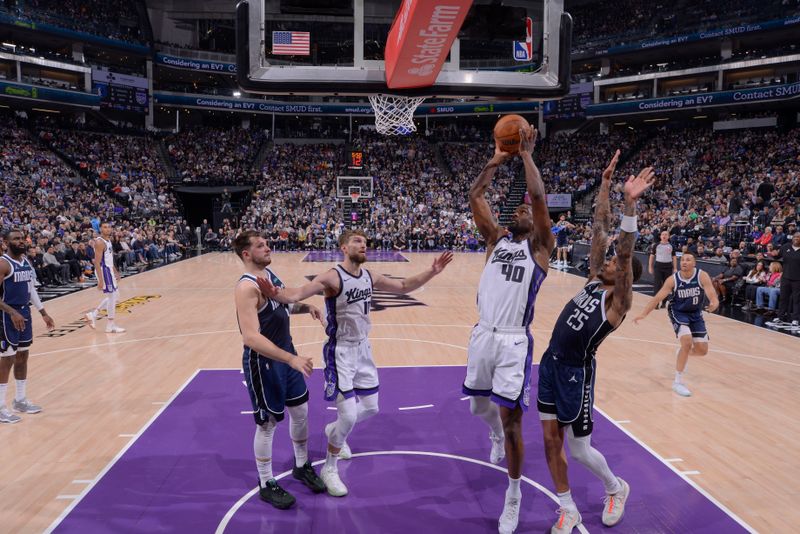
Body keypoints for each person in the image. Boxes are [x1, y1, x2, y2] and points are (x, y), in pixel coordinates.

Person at [258, 230, 452, 498]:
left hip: (364, 349)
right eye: (357, 242)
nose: (363, 245)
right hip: (340, 353)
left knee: (371, 408)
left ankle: (333, 430)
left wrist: (433, 271)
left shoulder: (369, 276)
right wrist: (275, 293)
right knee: (348, 415)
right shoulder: (332, 276)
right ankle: (330, 468)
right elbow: (297, 293)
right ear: (343, 247)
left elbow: (405, 286)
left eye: (364, 242)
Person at [537, 151, 653, 533]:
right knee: (551, 442)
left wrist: (630, 205)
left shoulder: (617, 300)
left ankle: (616, 487)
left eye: (612, 263)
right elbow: (600, 231)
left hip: (576, 374)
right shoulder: (592, 281)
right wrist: (604, 186)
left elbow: (622, 246)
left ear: (623, 274)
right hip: (551, 363)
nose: (602, 260)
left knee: (580, 449)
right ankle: (568, 508)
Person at [463, 127, 554, 534]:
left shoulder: (540, 249)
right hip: (483, 333)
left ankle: (512, 496)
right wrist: (495, 161)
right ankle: (495, 436)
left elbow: (537, 199)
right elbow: (475, 197)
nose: (519, 208)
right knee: (478, 408)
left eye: (524, 210)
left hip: (514, 341)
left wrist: (527, 155)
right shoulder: (495, 240)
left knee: (514, 421)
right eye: (514, 207)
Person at [232, 230, 326, 509]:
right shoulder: (246, 288)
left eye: (266, 243)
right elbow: (251, 337)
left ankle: (301, 465)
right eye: (261, 245)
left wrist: (304, 306)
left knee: (301, 411)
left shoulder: (270, 277)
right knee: (268, 424)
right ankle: (266, 482)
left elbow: (280, 305)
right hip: (265, 363)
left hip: (287, 359)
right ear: (246, 254)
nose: (268, 247)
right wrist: (291, 359)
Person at [635, 252, 718, 397]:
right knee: (686, 341)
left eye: (688, 259)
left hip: (695, 314)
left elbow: (713, 296)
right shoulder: (673, 279)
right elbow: (657, 298)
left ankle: (682, 353)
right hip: (678, 312)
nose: (684, 262)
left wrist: (713, 305)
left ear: (694, 263)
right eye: (682, 260)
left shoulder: (702, 275)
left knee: (702, 351)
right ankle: (677, 382)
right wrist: (643, 314)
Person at [0, 229, 55, 424]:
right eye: (16, 239)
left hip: (24, 314)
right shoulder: (3, 264)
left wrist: (43, 312)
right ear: (6, 242)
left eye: (22, 238)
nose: (21, 241)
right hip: (7, 316)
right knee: (7, 360)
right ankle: (0, 407)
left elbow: (31, 289)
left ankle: (20, 400)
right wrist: (11, 312)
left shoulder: (26, 262)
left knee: (23, 356)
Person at [86, 222, 125, 333]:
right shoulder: (99, 242)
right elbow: (97, 263)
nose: (107, 229)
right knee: (113, 297)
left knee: (116, 296)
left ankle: (93, 314)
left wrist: (116, 272)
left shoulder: (108, 241)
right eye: (105, 227)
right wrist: (101, 280)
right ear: (101, 229)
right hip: (104, 271)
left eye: (109, 227)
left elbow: (109, 259)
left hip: (109, 270)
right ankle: (110, 325)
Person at [774, 232, 800, 329]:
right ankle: (780, 317)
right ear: (792, 238)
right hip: (785, 277)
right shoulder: (786, 246)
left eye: (798, 237)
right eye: (795, 237)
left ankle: (796, 319)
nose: (796, 238)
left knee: (797, 300)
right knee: (783, 298)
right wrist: (774, 254)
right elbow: (777, 256)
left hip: (798, 279)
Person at [648, 231, 676, 309]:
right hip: (658, 267)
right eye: (662, 234)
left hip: (668, 267)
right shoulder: (656, 245)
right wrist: (650, 267)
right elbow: (652, 256)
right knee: (657, 285)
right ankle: (656, 303)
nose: (664, 236)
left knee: (666, 285)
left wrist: (675, 268)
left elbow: (674, 257)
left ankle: (664, 302)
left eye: (666, 234)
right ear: (660, 236)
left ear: (668, 236)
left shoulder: (671, 246)